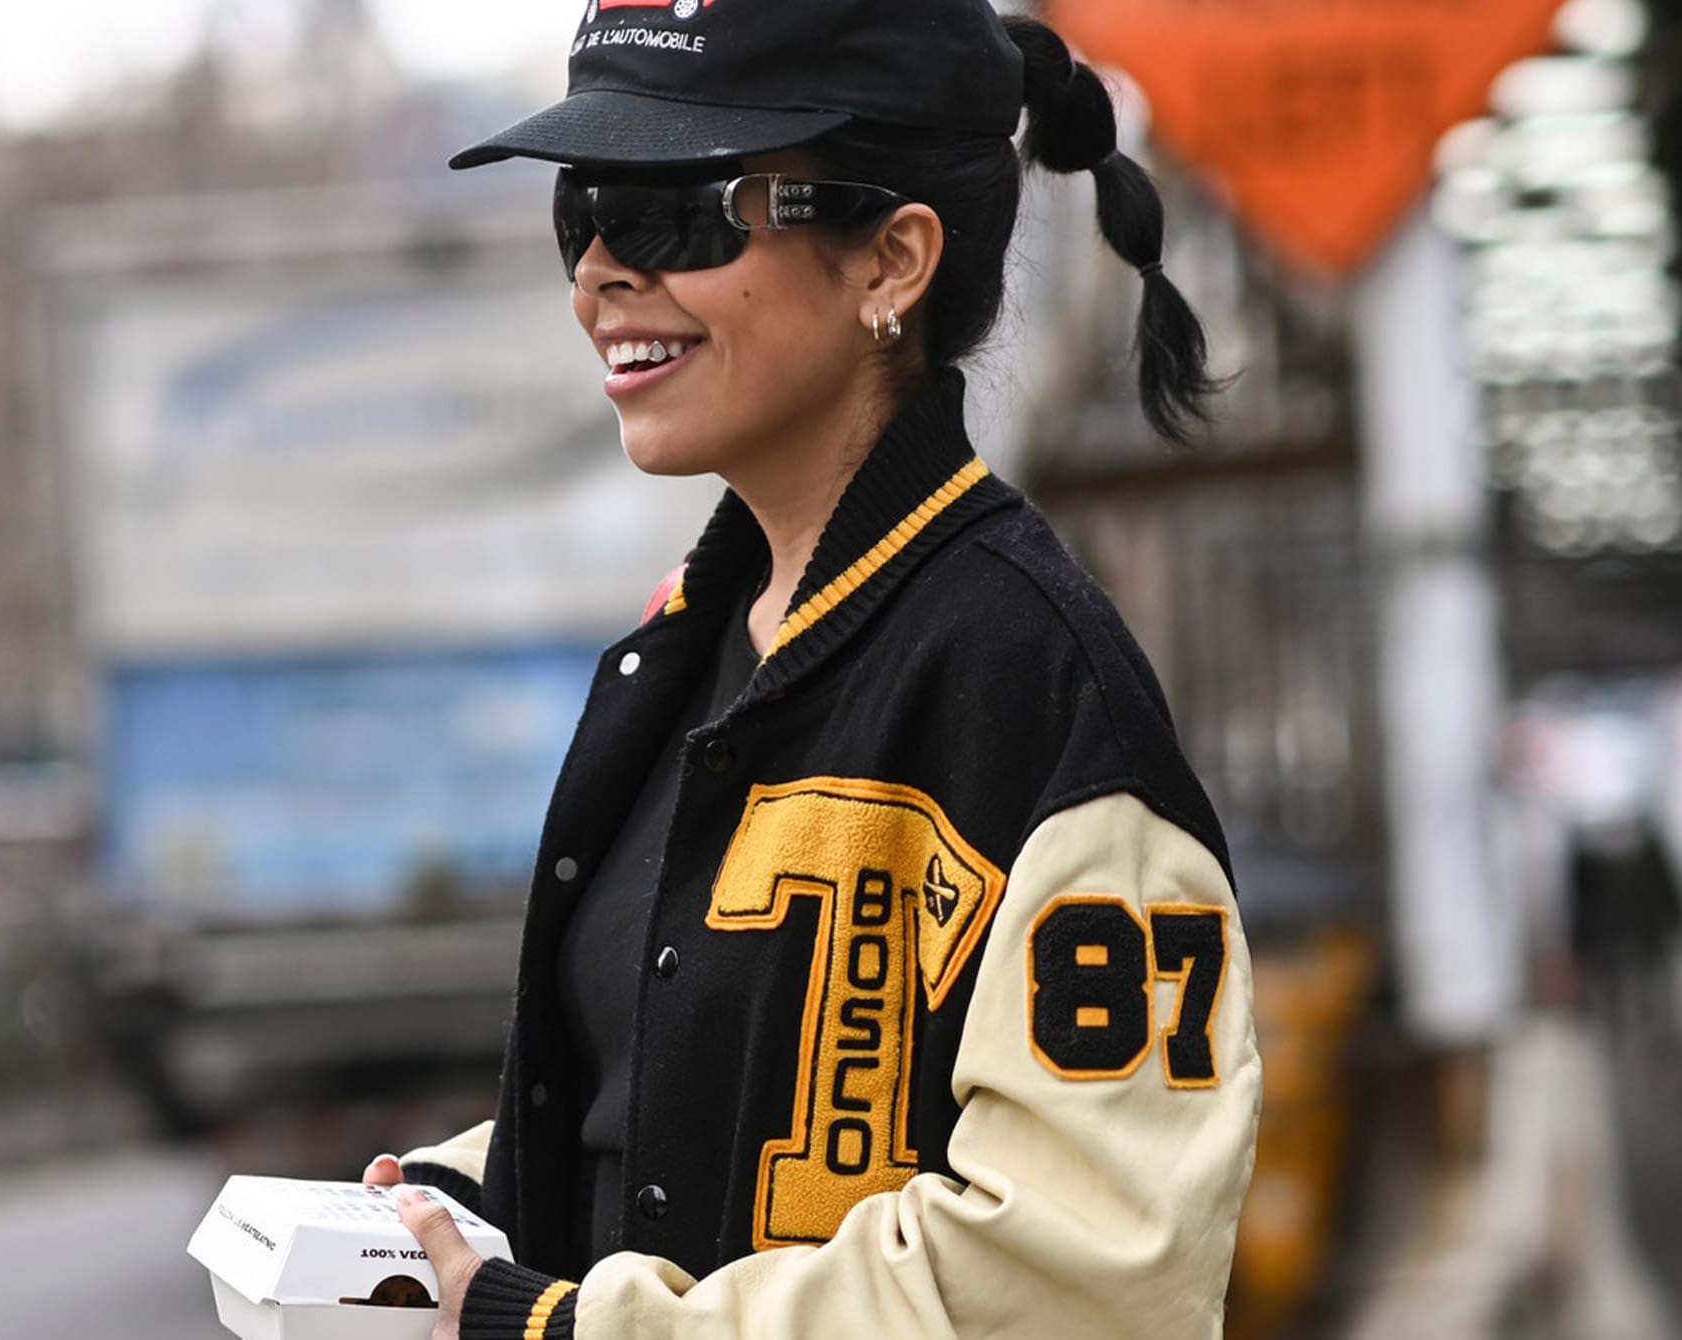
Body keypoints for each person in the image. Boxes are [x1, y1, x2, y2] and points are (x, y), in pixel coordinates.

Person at [362, 0, 1260, 1334]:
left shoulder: (1035, 687)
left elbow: (1082, 1275)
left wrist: (558, 1326)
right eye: (583, 207)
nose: (599, 271)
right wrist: (449, 1209)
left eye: (677, 209)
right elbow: (684, 1120)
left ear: (891, 260)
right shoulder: (681, 651)